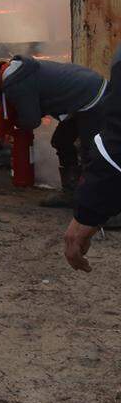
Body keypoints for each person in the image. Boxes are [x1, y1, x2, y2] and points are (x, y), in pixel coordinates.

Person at [0, 55, 106, 193]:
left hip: (91, 98)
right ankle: (71, 191)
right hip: (87, 91)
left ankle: (96, 198)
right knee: (62, 140)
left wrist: (16, 124)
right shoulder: (18, 69)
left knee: (91, 151)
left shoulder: (15, 83)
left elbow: (31, 120)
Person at [64, 46, 121, 272]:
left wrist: (88, 213)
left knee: (88, 145)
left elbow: (116, 147)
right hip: (89, 99)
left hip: (89, 102)